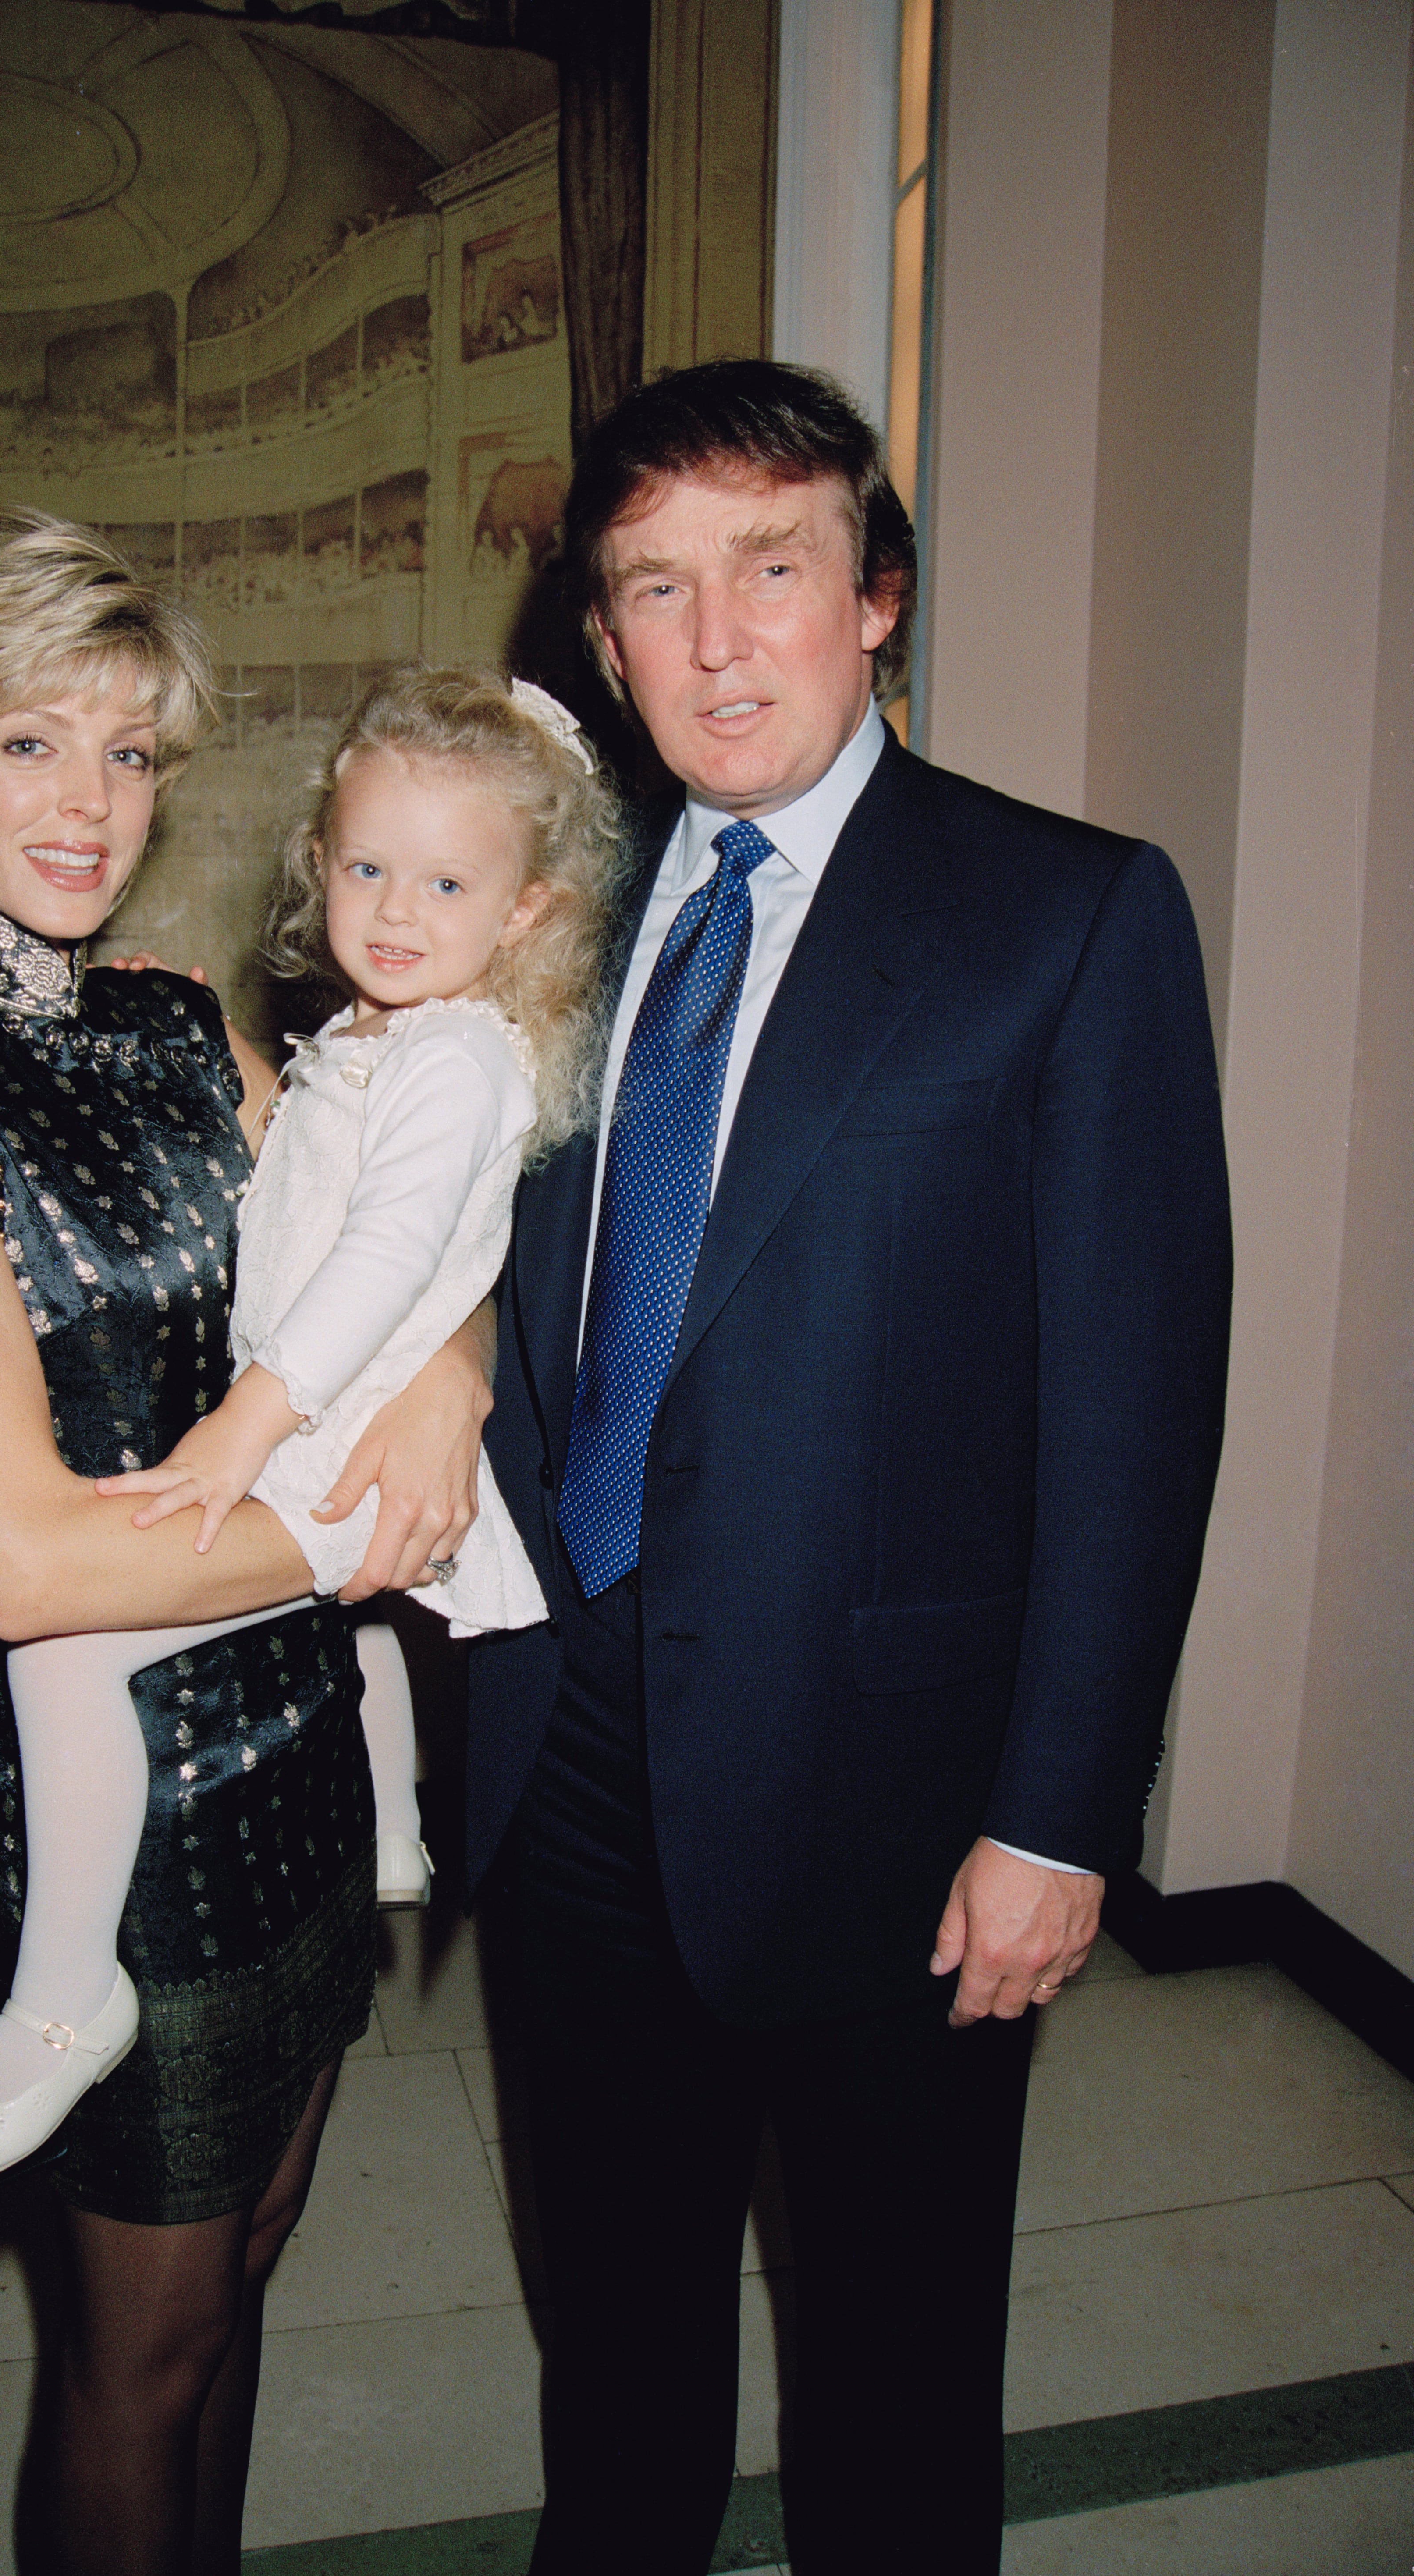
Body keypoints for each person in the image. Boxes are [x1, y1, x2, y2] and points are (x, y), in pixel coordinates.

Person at [465, 361, 1233, 2574]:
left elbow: (1134, 1410)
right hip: (570, 1756)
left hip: (900, 1796)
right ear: (599, 643)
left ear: (874, 596)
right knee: (610, 2367)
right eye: (657, 589)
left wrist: (1059, 1815)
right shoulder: (542, 924)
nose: (719, 642)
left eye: (774, 569)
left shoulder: (1064, 917)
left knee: (894, 2399)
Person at [0, 512, 493, 2576]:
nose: (94, 804)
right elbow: (23, 1567)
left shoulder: (185, 1025)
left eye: (129, 752)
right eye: (33, 745)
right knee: (141, 2352)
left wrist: (445, 1375)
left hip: (306, 1761)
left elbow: (405, 1220)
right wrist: (357, 1539)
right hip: (131, 1821)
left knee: (252, 2262)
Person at [0, 664, 623, 2189]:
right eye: (367, 868)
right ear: (319, 865)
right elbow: (302, 1190)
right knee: (354, 1630)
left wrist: (249, 1422)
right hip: (336, 1429)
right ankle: (392, 1839)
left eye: (445, 881)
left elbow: (388, 1255)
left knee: (75, 1649)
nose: (396, 909)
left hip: (327, 1437)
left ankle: (63, 1998)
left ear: (527, 915)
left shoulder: (451, 1057)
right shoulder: (374, 1039)